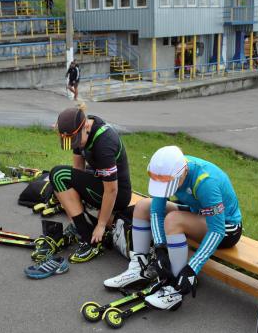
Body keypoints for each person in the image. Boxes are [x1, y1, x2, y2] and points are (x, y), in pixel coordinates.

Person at [104, 146, 242, 310]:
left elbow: (216, 230)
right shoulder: (167, 170)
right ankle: (140, 266)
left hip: (226, 228)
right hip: (198, 214)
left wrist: (192, 269)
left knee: (173, 220)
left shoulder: (206, 181)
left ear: (183, 173)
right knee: (143, 206)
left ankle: (176, 287)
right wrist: (160, 249)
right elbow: (156, 212)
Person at [36, 105, 132, 263]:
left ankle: (90, 240)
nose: (76, 146)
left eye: (76, 141)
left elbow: (112, 190)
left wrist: (101, 225)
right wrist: (73, 207)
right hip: (101, 182)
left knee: (58, 174)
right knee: (61, 180)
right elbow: (77, 171)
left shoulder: (105, 142)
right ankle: (81, 227)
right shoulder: (80, 130)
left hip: (118, 195)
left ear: (86, 126)